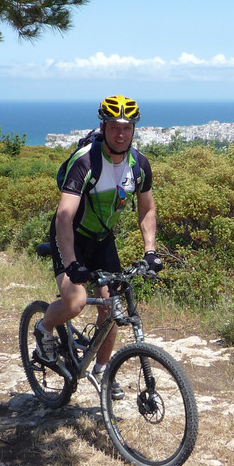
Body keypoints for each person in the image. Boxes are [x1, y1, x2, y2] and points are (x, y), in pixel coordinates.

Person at [35, 94, 162, 399]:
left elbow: (147, 210)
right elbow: (64, 216)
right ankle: (43, 328)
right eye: (115, 127)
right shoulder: (86, 162)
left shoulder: (139, 164)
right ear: (103, 127)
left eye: (128, 127)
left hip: (103, 240)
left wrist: (150, 251)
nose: (121, 133)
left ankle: (103, 371)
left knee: (113, 306)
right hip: (71, 237)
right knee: (76, 301)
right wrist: (71, 263)